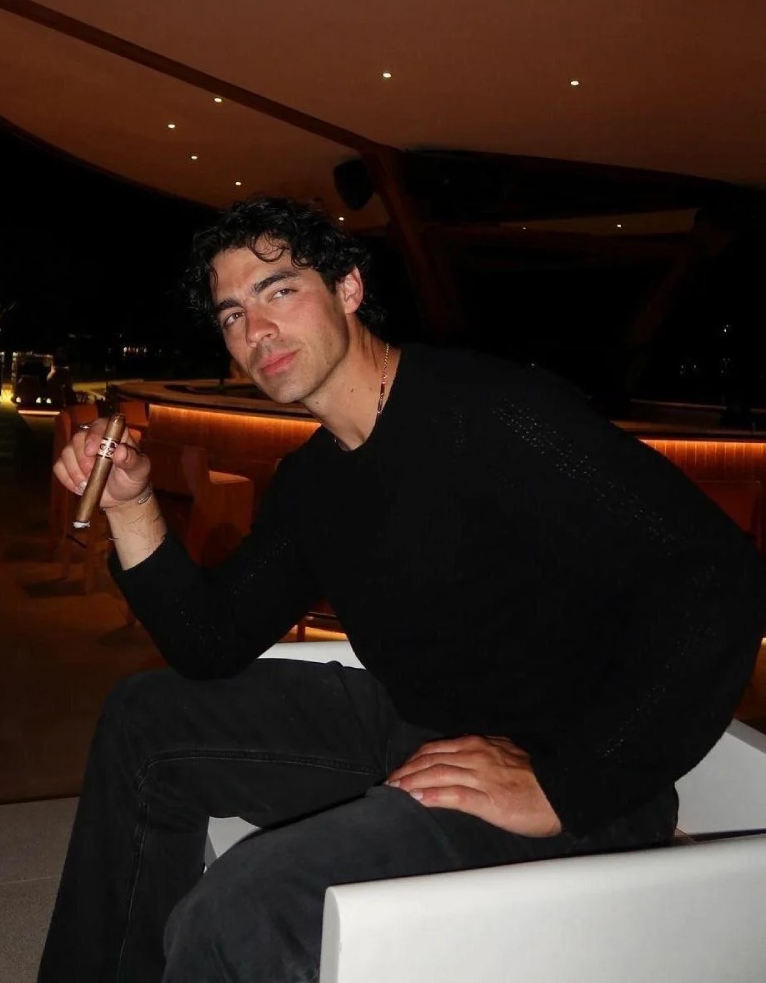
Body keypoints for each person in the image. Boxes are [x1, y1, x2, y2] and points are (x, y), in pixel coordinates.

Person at [41, 196, 766, 983]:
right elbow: (207, 642)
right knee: (146, 720)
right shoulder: (313, 481)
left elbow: (719, 576)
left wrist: (568, 783)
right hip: (418, 728)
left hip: (568, 780)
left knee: (241, 910)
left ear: (349, 288)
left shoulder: (494, 414)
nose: (256, 331)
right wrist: (134, 507)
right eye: (232, 313)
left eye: (279, 289)